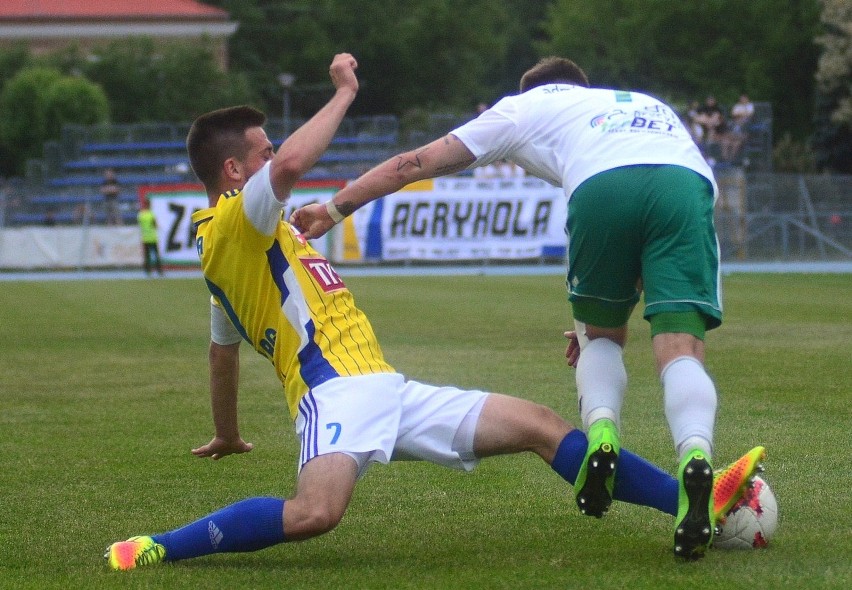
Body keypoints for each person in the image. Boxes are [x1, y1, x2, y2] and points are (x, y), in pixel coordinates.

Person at [104, 54, 764, 570]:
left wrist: (225, 433)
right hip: (333, 395)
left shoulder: (245, 246)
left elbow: (221, 352)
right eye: (263, 150)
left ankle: (691, 495)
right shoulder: (231, 224)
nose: (276, 158)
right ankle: (159, 546)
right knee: (314, 514)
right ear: (231, 172)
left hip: (388, 388)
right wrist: (343, 94)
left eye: (272, 149)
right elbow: (300, 162)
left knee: (540, 425)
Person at [291, 56, 747, 560]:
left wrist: (333, 210)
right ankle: (697, 454)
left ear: (531, 88)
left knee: (600, 338)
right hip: (686, 181)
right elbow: (653, 191)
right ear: (582, 86)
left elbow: (411, 164)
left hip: (602, 185)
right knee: (681, 346)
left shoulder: (522, 107)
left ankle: (601, 437)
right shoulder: (640, 103)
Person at [137, 197, 163, 276]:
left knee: (147, 256)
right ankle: (159, 271)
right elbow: (155, 225)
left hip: (145, 237)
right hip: (153, 237)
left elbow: (140, 225)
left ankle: (147, 271)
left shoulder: (140, 214)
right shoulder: (151, 214)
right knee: (156, 255)